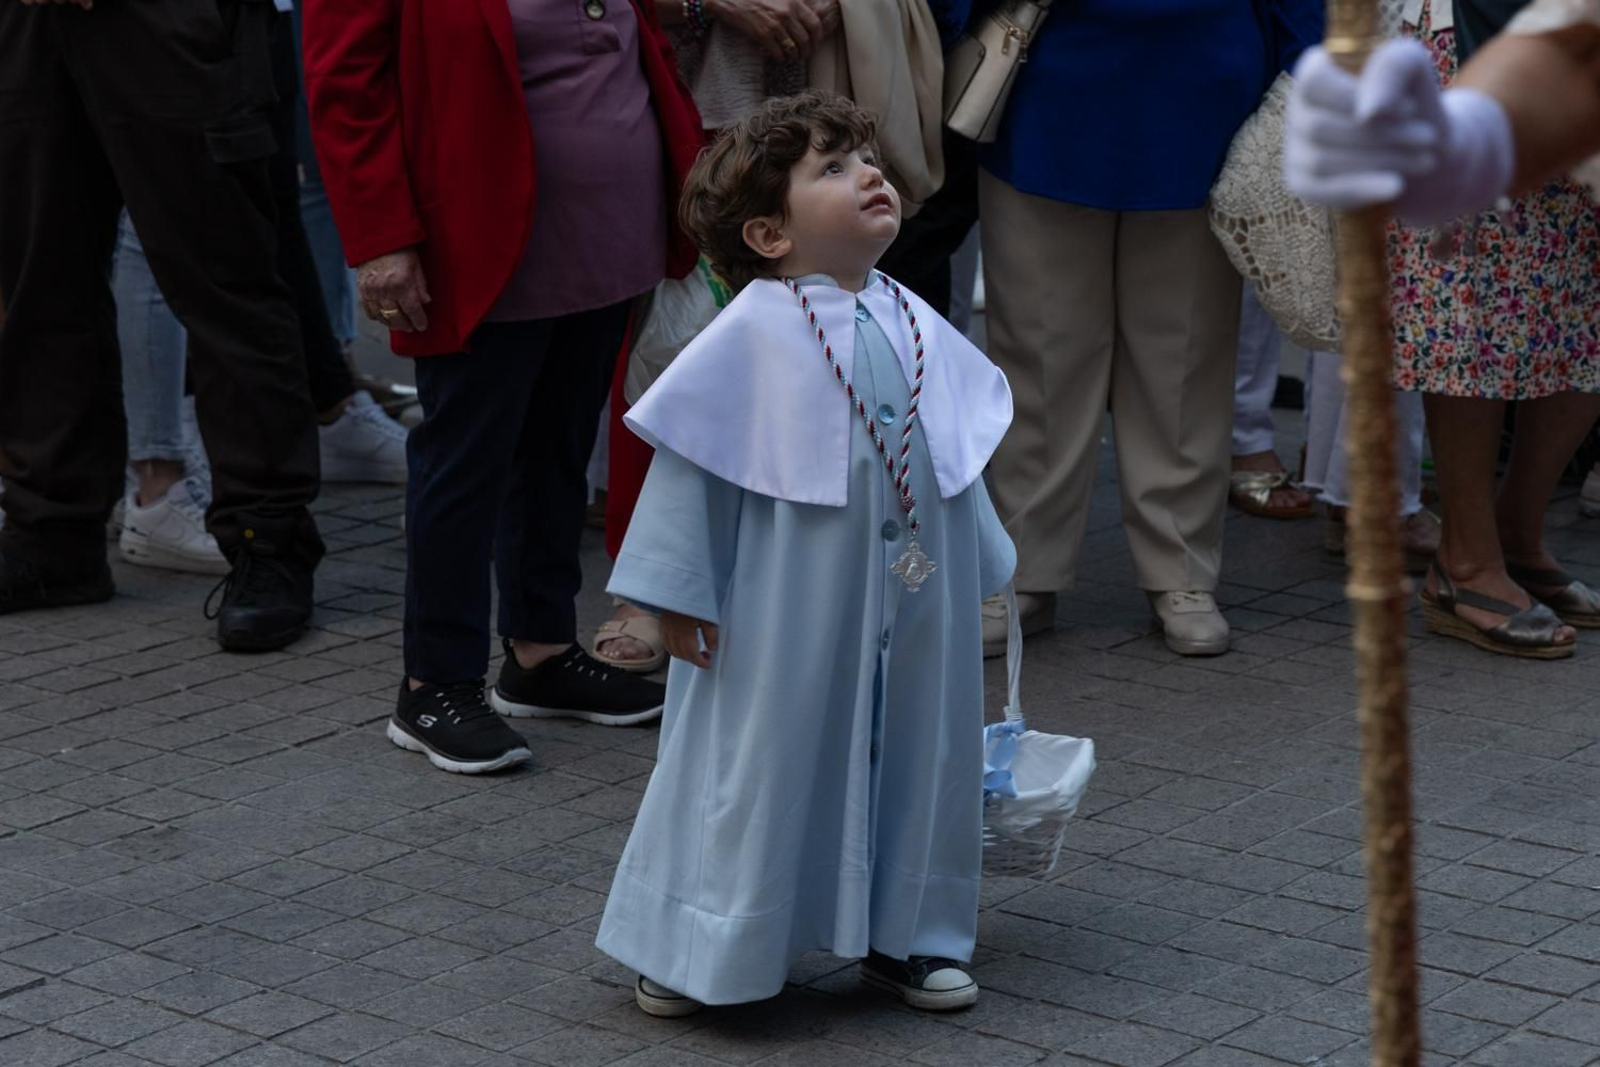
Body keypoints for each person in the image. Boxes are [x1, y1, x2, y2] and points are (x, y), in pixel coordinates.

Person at [594, 93, 1014, 1018]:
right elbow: (690, 471)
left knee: (920, 753)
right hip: (784, 604)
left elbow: (950, 453)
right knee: (755, 763)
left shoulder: (912, 316)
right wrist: (669, 595)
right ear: (769, 233)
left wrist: (983, 562)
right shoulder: (746, 336)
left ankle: (912, 935)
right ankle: (706, 943)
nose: (869, 172)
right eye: (831, 168)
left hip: (916, 599)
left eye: (865, 156)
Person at [304, 0, 704, 774]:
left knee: (558, 447)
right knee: (465, 462)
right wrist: (381, 234)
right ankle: (435, 685)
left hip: (608, 230)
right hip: (478, 235)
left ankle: (541, 651)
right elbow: (345, 83)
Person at [936, 0, 1323, 659]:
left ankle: (1181, 572)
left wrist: (1309, 62)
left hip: (1202, 83)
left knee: (1185, 350)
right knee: (1037, 349)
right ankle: (1022, 566)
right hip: (1045, 74)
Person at [0, 0, 325, 651]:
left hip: (172, 17)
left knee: (223, 283)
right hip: (33, 18)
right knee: (38, 283)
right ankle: (52, 533)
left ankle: (270, 540)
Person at [1286, 1, 1600, 659]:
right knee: (1471, 311)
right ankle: (1466, 560)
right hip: (1477, 44)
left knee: (1581, 312)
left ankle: (1514, 532)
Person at [112, 9, 410, 577]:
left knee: (271, 196)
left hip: (239, 20)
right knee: (155, 224)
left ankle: (322, 409)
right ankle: (158, 477)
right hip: (160, 28)